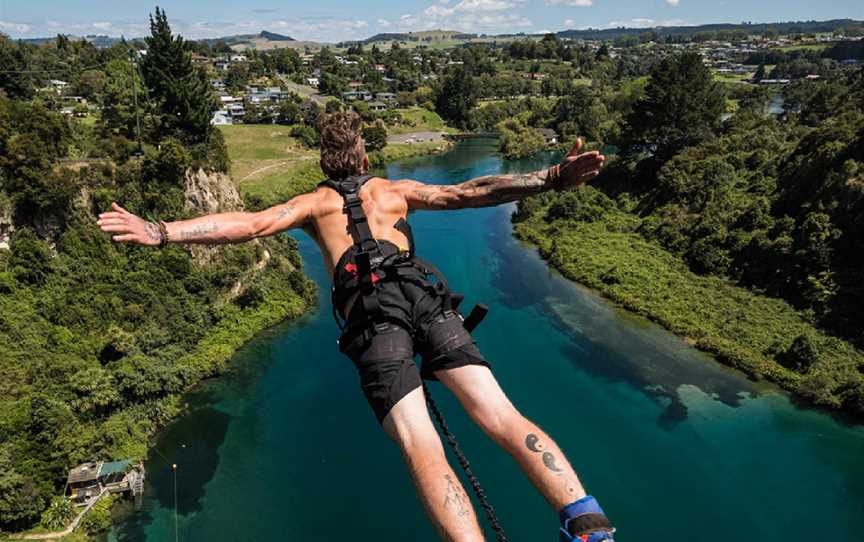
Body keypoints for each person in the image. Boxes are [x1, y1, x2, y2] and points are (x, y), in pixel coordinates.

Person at [97, 111, 615, 542]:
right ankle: (588, 522)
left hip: (374, 321)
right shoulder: (396, 190)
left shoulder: (313, 205)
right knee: (501, 415)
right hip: (427, 302)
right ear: (365, 157)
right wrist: (548, 178)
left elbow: (248, 224)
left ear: (324, 161)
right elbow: (467, 193)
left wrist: (161, 231)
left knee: (421, 443)